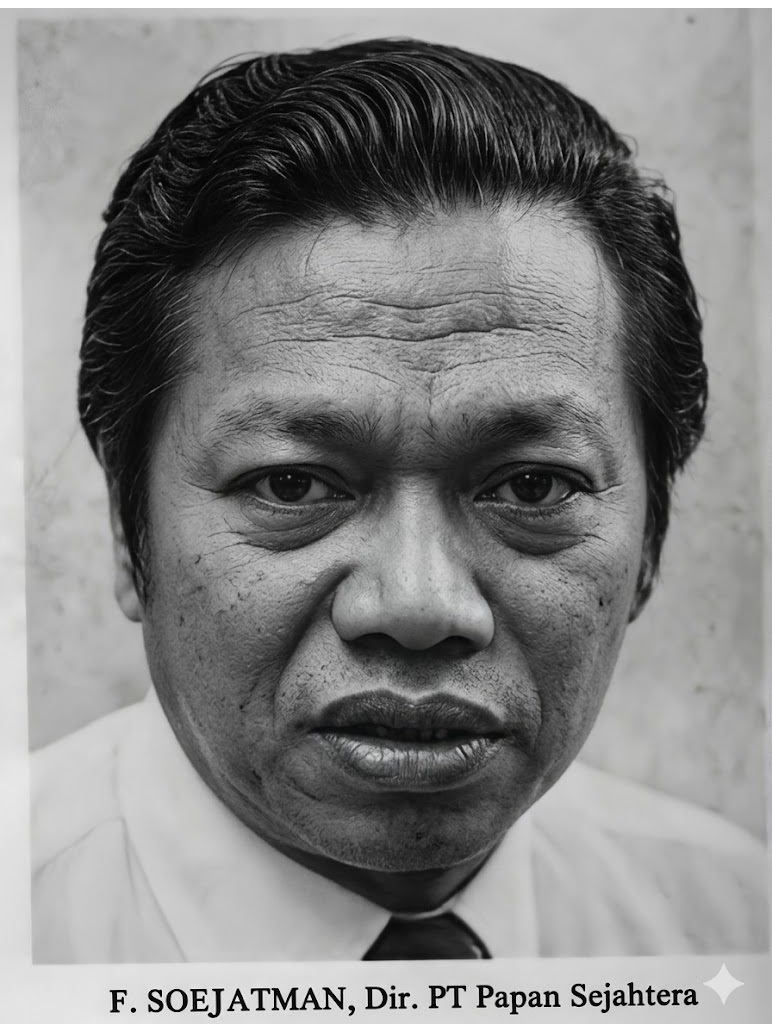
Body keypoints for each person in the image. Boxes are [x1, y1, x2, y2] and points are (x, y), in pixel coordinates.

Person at [31, 38, 766, 963]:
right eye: (292, 484)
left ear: (651, 543)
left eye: (532, 486)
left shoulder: (735, 926)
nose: (418, 606)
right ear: (125, 529)